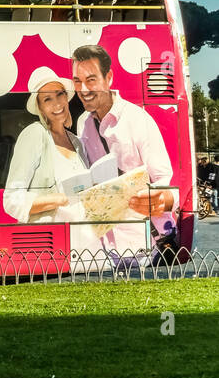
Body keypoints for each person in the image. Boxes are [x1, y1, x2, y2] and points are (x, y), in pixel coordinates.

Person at [72, 43, 175, 259]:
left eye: (91, 80)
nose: (83, 90)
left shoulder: (138, 120)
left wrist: (156, 198)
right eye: (77, 81)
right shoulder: (83, 124)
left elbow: (167, 184)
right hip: (105, 245)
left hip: (145, 243)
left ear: (108, 78)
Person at [2, 68, 100, 263]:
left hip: (85, 249)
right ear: (40, 107)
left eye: (59, 94)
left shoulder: (77, 142)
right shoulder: (35, 134)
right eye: (47, 99)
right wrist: (60, 199)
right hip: (50, 251)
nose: (56, 104)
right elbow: (12, 200)